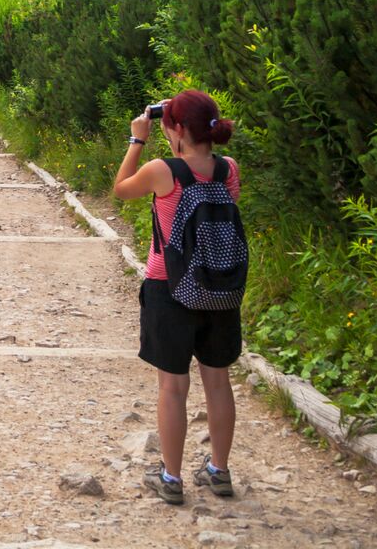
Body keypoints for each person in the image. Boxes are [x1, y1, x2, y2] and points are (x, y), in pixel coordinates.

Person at [112, 89, 241, 506]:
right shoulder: (227, 169)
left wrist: (137, 139)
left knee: (173, 386)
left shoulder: (161, 171)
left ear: (179, 128)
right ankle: (218, 471)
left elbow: (121, 190)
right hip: (220, 290)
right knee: (218, 382)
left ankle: (171, 478)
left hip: (169, 288)